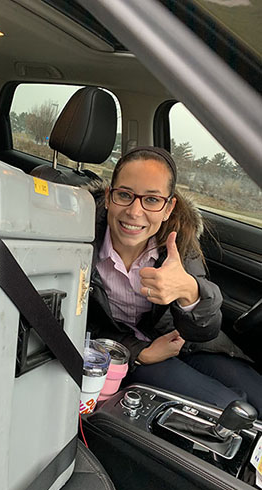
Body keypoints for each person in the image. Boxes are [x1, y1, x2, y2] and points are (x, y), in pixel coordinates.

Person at [87, 146, 262, 417]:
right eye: (124, 195)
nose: (135, 212)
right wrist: (139, 353)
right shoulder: (82, 239)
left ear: (168, 208)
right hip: (133, 352)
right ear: (109, 197)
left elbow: (206, 330)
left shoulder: (178, 242)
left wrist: (190, 294)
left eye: (152, 200)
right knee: (229, 410)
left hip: (193, 345)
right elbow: (78, 323)